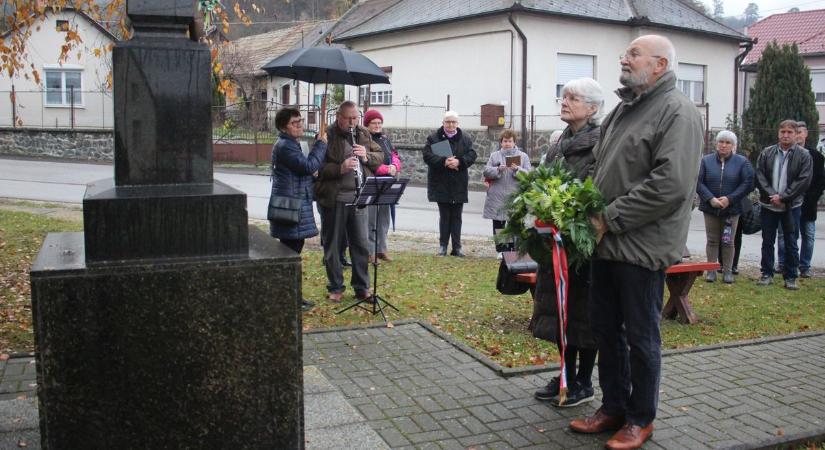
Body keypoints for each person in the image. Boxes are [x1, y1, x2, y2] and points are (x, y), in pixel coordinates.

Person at [576, 35, 703, 450]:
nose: (624, 59)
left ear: (660, 64)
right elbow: (601, 168)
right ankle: (613, 406)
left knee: (640, 336)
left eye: (633, 54)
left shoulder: (678, 112)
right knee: (605, 329)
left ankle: (640, 417)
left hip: (640, 245)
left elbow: (671, 184)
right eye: (625, 53)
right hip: (605, 242)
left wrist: (609, 219)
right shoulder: (623, 108)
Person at [530, 77, 602, 408]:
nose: (565, 101)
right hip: (555, 243)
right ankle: (564, 374)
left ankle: (583, 381)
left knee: (584, 315)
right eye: (563, 96)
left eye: (573, 97)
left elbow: (596, 192)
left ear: (593, 108)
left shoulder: (600, 145)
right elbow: (543, 182)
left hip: (583, 245)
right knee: (562, 313)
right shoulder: (558, 145)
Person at [315, 101, 384, 303]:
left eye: (356, 117)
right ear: (339, 117)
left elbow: (380, 156)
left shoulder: (363, 133)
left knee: (361, 245)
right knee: (334, 245)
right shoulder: (326, 135)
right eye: (349, 118)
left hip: (359, 197)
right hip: (335, 198)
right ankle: (335, 287)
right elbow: (317, 168)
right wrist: (340, 168)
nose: (353, 122)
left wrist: (366, 156)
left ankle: (362, 287)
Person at [269, 108, 327, 311]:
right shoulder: (286, 146)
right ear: (284, 126)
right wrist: (321, 145)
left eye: (300, 121)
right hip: (290, 207)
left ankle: (292, 296)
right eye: (295, 122)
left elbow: (302, 172)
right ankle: (288, 297)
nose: (300, 125)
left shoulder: (291, 144)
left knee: (292, 252)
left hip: (295, 204)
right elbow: (307, 165)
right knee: (290, 253)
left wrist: (312, 173)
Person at [755, 120, 812, 290]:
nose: (785, 135)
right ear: (778, 133)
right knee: (767, 240)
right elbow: (760, 175)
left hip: (791, 206)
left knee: (791, 241)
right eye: (783, 132)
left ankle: (791, 277)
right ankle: (767, 273)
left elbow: (804, 180)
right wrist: (773, 196)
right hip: (769, 205)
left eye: (789, 132)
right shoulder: (767, 152)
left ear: (796, 134)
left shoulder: (804, 155)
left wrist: (784, 198)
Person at [697, 130, 754, 284]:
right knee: (712, 240)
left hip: (732, 209)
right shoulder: (706, 161)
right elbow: (699, 182)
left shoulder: (742, 162)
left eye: (728, 142)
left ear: (733, 146)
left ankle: (727, 271)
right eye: (721, 142)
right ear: (716, 144)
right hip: (710, 208)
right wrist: (710, 199)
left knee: (728, 241)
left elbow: (747, 183)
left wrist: (730, 198)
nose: (724, 145)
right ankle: (711, 271)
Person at [423, 111, 478, 257]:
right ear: (443, 123)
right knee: (445, 216)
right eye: (448, 122)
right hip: (441, 182)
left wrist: (459, 161)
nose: (451, 124)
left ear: (457, 124)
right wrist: (444, 162)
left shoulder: (465, 138)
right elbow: (427, 156)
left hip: (458, 183)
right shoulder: (433, 138)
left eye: (453, 122)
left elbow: (472, 155)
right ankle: (442, 246)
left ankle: (457, 247)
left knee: (457, 217)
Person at [776, 121, 824, 278]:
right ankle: (783, 263)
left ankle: (805, 266)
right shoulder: (786, 154)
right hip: (789, 202)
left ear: (805, 134)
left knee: (808, 235)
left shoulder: (816, 156)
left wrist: (809, 198)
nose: (797, 136)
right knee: (786, 235)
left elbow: (819, 182)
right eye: (795, 133)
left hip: (808, 205)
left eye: (800, 132)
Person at [482, 129, 531, 254]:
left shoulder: (523, 156)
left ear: (514, 142)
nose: (507, 143)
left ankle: (513, 249)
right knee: (499, 224)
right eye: (505, 141)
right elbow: (486, 171)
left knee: (513, 224)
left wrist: (518, 170)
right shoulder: (495, 155)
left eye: (510, 141)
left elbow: (529, 174)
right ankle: (501, 250)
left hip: (514, 195)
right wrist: (498, 169)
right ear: (501, 142)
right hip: (497, 195)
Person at [363, 109, 402, 263]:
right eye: (374, 123)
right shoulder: (364, 140)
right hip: (372, 182)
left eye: (379, 123)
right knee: (371, 220)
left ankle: (381, 249)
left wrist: (395, 166)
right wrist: (387, 169)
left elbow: (394, 155)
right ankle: (370, 251)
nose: (377, 125)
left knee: (384, 219)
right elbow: (368, 161)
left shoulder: (385, 139)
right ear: (367, 124)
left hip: (387, 182)